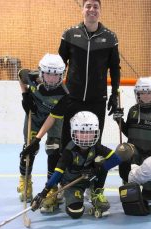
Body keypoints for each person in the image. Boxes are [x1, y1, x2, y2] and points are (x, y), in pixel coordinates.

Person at [21, 0, 120, 200]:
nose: (92, 9)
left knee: (93, 142)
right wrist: (34, 93)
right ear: (83, 9)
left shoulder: (110, 37)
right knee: (67, 143)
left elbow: (114, 68)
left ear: (100, 11)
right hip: (71, 97)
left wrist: (115, 95)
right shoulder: (69, 34)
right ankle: (61, 184)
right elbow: (59, 65)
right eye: (88, 6)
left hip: (97, 99)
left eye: (96, 6)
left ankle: (93, 186)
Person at [31, 111, 122, 218]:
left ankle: (96, 192)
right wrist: (44, 192)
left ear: (96, 132)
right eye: (82, 132)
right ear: (74, 132)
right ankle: (69, 195)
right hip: (73, 183)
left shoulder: (97, 147)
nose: (86, 136)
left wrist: (96, 170)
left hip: (90, 179)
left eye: (90, 132)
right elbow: (57, 173)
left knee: (101, 161)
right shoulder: (69, 151)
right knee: (75, 212)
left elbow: (116, 159)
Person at [17, 53, 66, 209]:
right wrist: (25, 95)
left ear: (62, 75)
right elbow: (21, 74)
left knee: (54, 149)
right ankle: (25, 181)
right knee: (28, 150)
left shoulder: (64, 94)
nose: (52, 79)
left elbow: (52, 118)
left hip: (55, 120)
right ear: (41, 72)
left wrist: (38, 139)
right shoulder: (31, 77)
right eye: (48, 74)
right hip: (35, 117)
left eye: (56, 75)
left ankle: (51, 188)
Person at [113, 77, 151, 200]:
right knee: (123, 152)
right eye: (142, 93)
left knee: (149, 196)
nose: (146, 96)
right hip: (135, 151)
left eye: (149, 92)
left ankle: (150, 185)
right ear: (137, 94)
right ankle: (128, 180)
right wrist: (119, 120)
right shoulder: (133, 110)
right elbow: (129, 132)